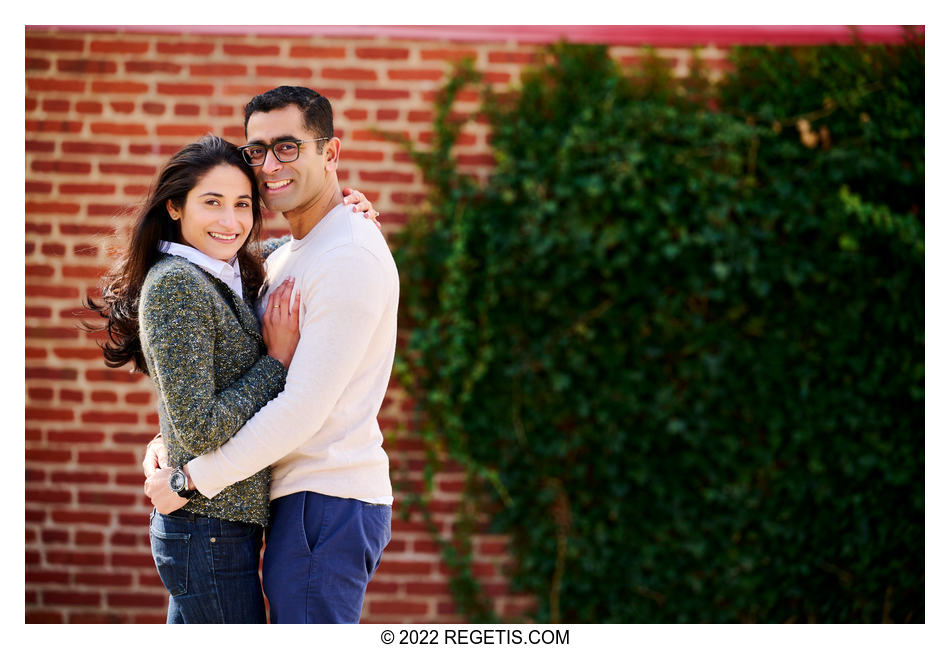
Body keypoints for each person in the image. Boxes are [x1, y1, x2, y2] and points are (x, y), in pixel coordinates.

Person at [87, 134, 379, 623]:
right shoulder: (179, 282)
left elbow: (299, 248)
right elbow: (200, 427)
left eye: (242, 204)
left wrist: (346, 214)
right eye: (212, 203)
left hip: (217, 522)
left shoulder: (225, 269)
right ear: (175, 208)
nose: (230, 221)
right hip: (207, 526)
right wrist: (277, 362)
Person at [144, 86, 399, 624]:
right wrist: (169, 440)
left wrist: (190, 481)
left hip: (326, 495)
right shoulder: (289, 254)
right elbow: (214, 378)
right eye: (256, 150)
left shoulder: (347, 254)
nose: (267, 165)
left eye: (288, 147)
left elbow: (301, 408)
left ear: (331, 154)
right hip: (287, 496)